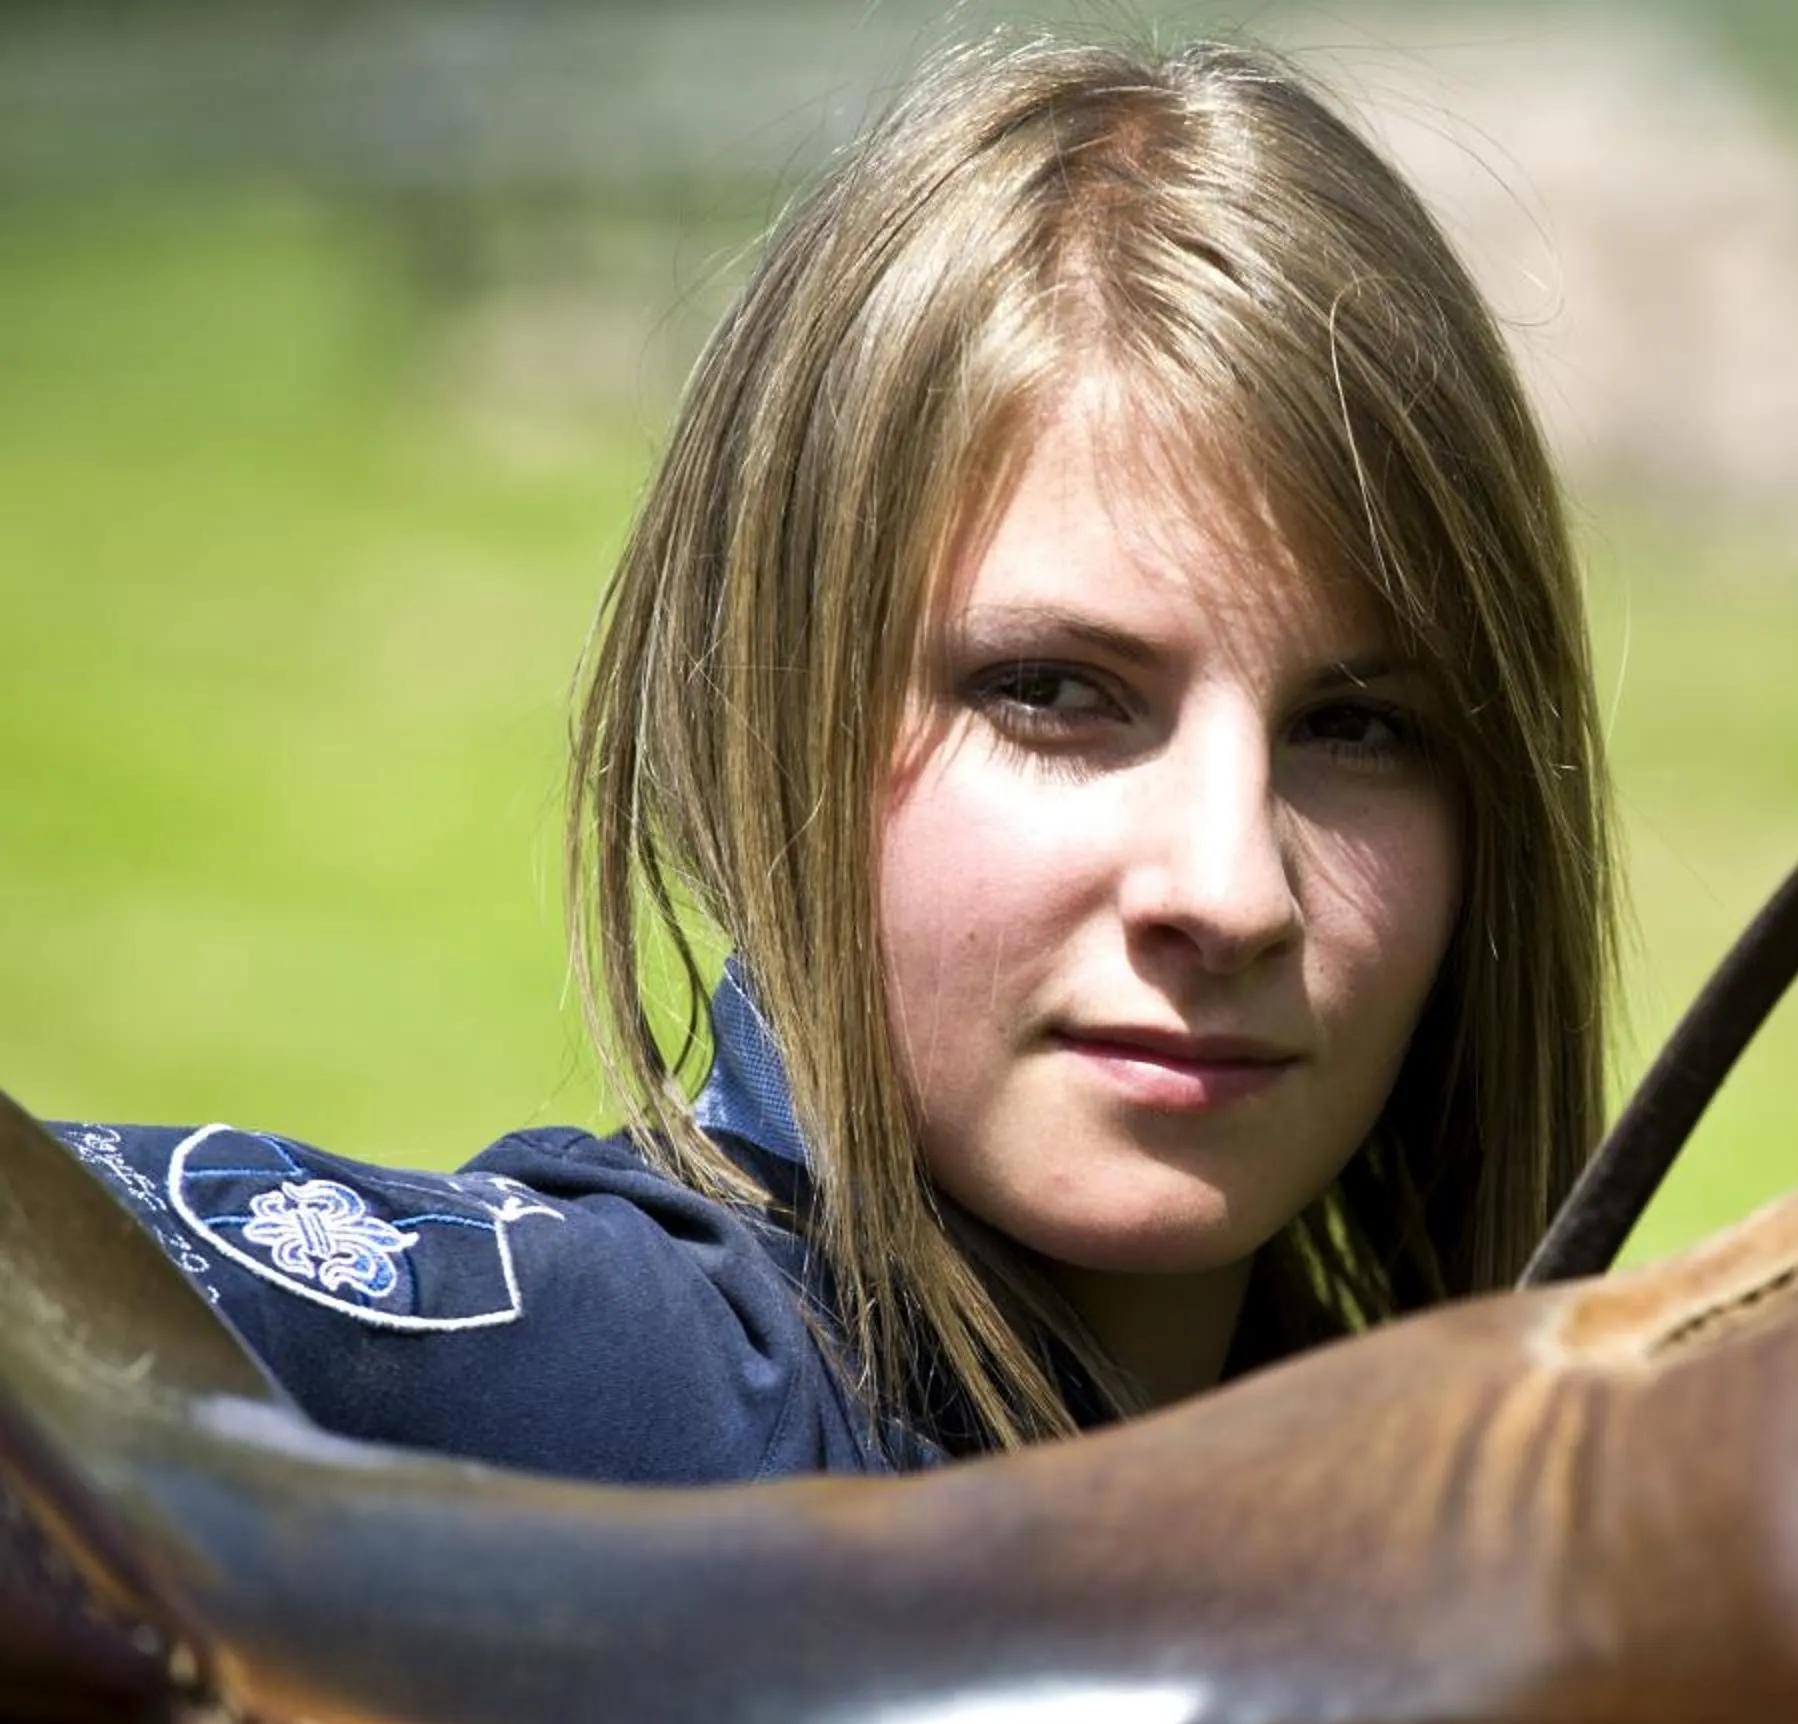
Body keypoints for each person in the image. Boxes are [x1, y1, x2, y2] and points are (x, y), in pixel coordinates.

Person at [47, 33, 1617, 1480]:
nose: (1229, 890)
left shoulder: (1478, 1516)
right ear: (770, 721)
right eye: (1055, 691)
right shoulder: (629, 1387)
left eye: (1358, 729)